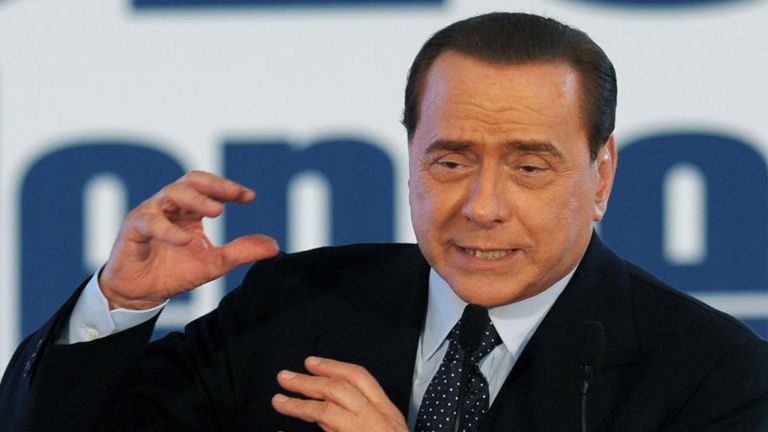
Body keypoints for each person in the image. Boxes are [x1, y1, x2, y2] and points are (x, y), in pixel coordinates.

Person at [2, 12, 767, 432]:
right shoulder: (293, 305)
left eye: (530, 167)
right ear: (409, 158)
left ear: (601, 175)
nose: (482, 205)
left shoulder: (713, 375)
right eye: (451, 161)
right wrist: (119, 304)